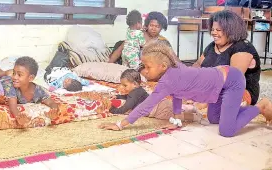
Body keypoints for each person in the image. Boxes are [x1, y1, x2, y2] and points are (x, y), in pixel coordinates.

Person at [99, 41, 272, 137]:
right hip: (219, 80)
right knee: (213, 119)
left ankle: (260, 107)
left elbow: (146, 105)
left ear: (163, 65)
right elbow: (178, 94)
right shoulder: (173, 71)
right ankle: (234, 110)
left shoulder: (168, 80)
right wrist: (176, 118)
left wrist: (120, 124)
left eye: (148, 66)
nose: (144, 70)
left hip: (232, 80)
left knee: (226, 131)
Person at [193, 10, 261, 106]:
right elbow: (198, 65)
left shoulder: (242, 47)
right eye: (212, 29)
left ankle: (262, 107)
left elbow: (231, 81)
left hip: (238, 93)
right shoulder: (212, 46)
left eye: (218, 30)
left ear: (231, 30)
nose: (213, 33)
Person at [0, 56, 59, 126]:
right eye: (14, 73)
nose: (15, 77)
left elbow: (51, 102)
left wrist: (54, 111)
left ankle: (2, 70)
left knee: (10, 74)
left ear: (31, 78)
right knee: (3, 74)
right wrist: (18, 117)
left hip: (11, 79)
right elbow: (12, 106)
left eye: (19, 75)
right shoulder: (11, 87)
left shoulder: (38, 90)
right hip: (6, 81)